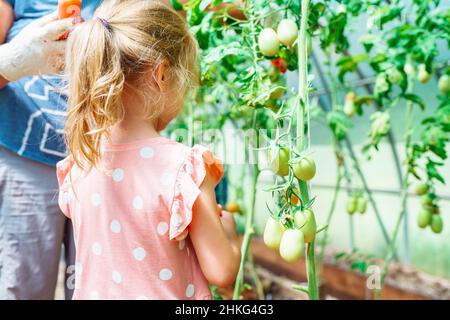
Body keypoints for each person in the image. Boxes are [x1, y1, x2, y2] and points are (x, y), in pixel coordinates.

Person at [56, 0, 240, 300]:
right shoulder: (184, 168)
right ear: (163, 74)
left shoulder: (80, 163)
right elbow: (222, 272)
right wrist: (229, 235)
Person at [0, 0, 102, 300]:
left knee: (100, 286)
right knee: (21, 285)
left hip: (106, 161)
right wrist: (14, 59)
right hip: (24, 156)